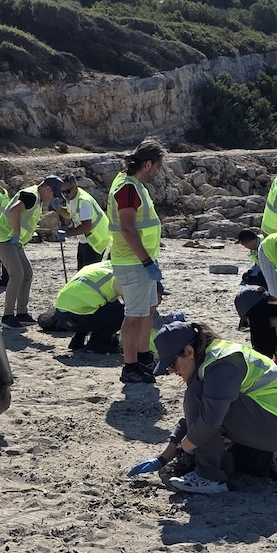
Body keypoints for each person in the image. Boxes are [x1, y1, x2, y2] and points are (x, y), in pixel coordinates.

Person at [127, 321, 277, 494]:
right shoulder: (209, 359)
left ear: (188, 351)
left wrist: (187, 446)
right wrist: (163, 457)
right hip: (273, 421)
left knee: (198, 398)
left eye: (172, 365)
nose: (173, 372)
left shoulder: (222, 362)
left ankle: (209, 478)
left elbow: (209, 420)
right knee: (201, 408)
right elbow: (192, 419)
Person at [107, 138, 166, 384]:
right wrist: (146, 262)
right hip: (134, 262)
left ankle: (143, 357)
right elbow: (128, 229)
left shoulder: (133, 185)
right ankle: (130, 366)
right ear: (148, 164)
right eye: (158, 166)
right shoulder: (128, 188)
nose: (159, 172)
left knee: (147, 310)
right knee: (134, 315)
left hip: (140, 260)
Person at [0, 175, 63, 329]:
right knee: (17, 274)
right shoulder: (31, 195)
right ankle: (7, 316)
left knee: (27, 273)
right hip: (3, 239)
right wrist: (16, 233)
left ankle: (22, 313)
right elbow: (13, 211)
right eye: (54, 194)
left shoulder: (36, 198)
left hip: (13, 242)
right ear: (48, 189)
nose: (53, 198)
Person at [54, 260, 124, 353]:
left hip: (60, 315)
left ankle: (78, 339)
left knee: (95, 303)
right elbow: (132, 307)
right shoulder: (119, 276)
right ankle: (96, 343)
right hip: (79, 319)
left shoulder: (95, 267)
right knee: (125, 312)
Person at [58, 174, 110, 268]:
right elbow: (69, 214)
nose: (65, 194)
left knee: (88, 274)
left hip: (96, 240)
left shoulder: (84, 201)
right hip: (86, 239)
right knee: (81, 271)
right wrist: (58, 208)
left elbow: (86, 226)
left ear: (75, 187)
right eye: (62, 192)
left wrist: (67, 233)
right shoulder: (71, 198)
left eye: (67, 191)